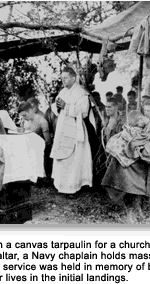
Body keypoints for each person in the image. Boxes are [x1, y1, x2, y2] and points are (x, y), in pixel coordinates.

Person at [102, 99, 150, 219]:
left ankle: (133, 207)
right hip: (135, 156)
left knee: (127, 171)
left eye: (149, 110)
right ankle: (122, 204)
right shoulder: (139, 120)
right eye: (145, 110)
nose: (146, 113)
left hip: (147, 160)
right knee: (116, 165)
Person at [50, 66, 94, 195]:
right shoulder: (63, 91)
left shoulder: (81, 92)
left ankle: (74, 187)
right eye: (62, 78)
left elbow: (84, 111)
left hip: (76, 128)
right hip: (63, 127)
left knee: (74, 159)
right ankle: (62, 186)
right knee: (62, 159)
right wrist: (57, 106)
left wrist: (66, 106)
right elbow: (55, 106)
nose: (63, 81)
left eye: (66, 78)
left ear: (74, 78)